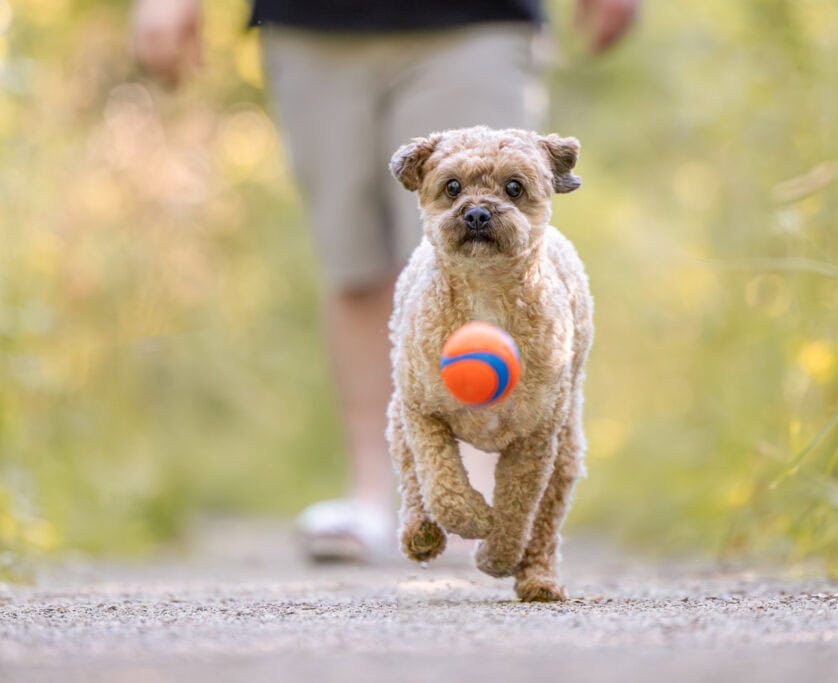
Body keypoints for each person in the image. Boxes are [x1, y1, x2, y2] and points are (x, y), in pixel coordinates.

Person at [131, 0, 639, 563]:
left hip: (477, 21)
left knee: (485, 258)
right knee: (352, 261)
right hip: (314, 26)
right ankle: (375, 492)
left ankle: (472, 484)